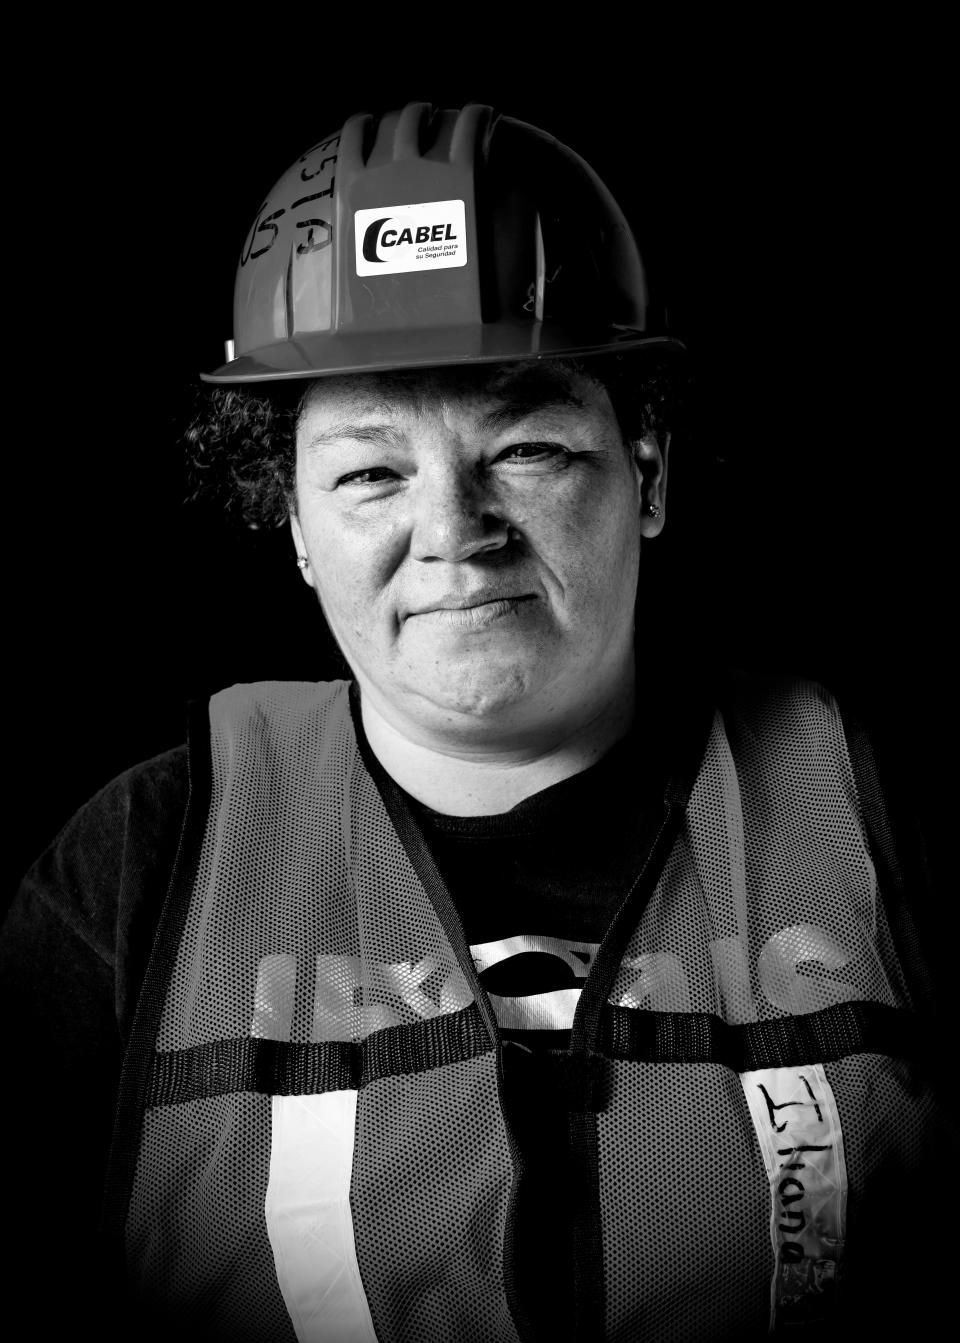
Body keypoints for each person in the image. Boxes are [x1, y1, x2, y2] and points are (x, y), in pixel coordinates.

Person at [2, 101, 948, 1343]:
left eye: (527, 447)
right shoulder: (140, 864)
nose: (454, 528)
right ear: (290, 521)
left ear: (646, 472)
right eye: (371, 471)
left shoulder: (869, 807)